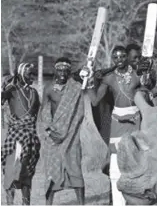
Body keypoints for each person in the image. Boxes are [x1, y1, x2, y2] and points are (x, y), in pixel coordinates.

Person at [81, 45, 149, 206]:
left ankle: (137, 199)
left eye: (122, 56)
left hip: (136, 120)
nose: (120, 60)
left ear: (127, 57)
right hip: (117, 121)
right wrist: (89, 82)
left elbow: (148, 86)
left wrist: (147, 73)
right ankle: (117, 201)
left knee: (137, 159)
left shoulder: (136, 73)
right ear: (113, 59)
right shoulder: (109, 77)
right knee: (116, 162)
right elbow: (96, 100)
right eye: (116, 57)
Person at [38, 57, 85, 205]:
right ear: (55, 71)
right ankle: (48, 204)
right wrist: (50, 133)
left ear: (69, 71)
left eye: (66, 70)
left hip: (72, 136)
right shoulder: (49, 88)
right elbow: (43, 114)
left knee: (75, 168)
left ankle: (82, 203)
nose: (63, 73)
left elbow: (80, 110)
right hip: (53, 137)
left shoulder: (76, 87)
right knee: (52, 172)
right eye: (59, 69)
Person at [1, 63, 41, 205]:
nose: (32, 77)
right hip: (15, 137)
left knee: (26, 174)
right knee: (10, 174)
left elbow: (38, 115)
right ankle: (10, 204)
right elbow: (1, 99)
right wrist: (3, 88)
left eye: (33, 74)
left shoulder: (34, 93)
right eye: (29, 74)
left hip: (30, 137)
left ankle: (26, 204)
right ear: (21, 75)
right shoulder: (12, 89)